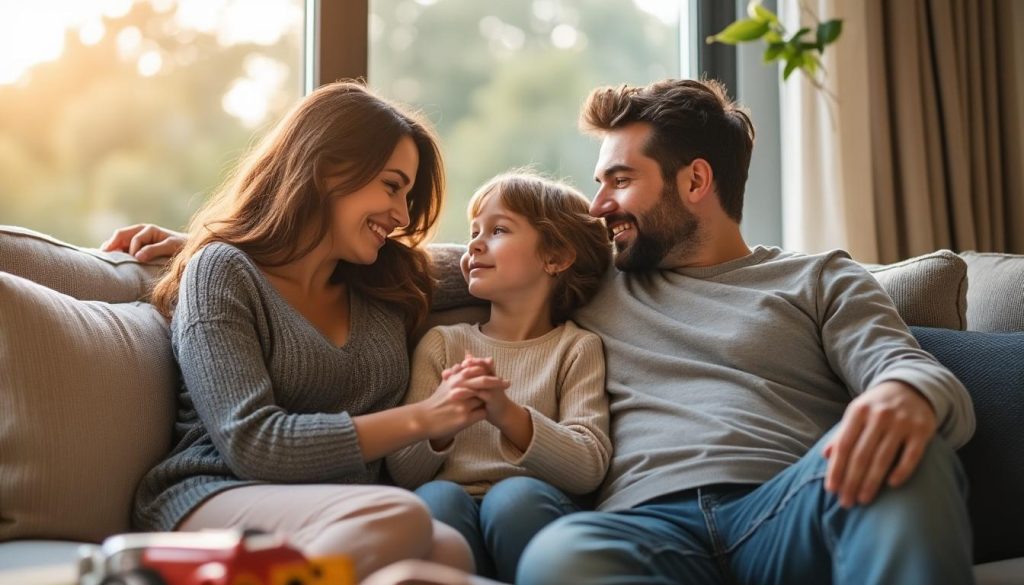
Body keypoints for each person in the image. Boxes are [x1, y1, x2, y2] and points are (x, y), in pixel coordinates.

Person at [513, 79, 976, 584]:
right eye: (599, 182)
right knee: (558, 555)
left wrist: (903, 394)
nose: (598, 205)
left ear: (695, 182)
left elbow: (904, 365)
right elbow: (477, 260)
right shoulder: (589, 277)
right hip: (643, 529)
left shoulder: (819, 277)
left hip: (787, 511)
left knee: (909, 455)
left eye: (620, 181)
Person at [109, 81, 512, 580]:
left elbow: (504, 259)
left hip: (341, 512)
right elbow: (253, 443)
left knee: (448, 549)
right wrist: (425, 418)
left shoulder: (386, 281)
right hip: (213, 496)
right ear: (325, 169)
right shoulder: (222, 273)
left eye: (407, 194)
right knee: (402, 515)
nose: (403, 215)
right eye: (392, 186)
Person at [385, 171, 613, 583]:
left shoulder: (576, 349)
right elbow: (404, 471)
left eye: (499, 230)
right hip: (452, 504)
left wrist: (507, 414)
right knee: (434, 501)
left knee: (513, 499)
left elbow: (588, 466)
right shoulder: (442, 344)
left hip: (534, 511)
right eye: (475, 231)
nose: (474, 244)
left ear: (556, 257)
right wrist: (441, 424)